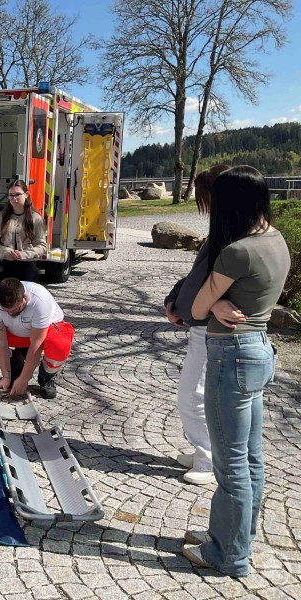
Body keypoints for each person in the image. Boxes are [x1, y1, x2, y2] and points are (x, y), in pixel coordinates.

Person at [183, 166, 291, 577]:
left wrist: (211, 304)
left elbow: (194, 309)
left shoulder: (237, 251)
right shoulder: (275, 239)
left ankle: (228, 555)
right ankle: (236, 536)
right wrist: (218, 303)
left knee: (230, 466)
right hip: (258, 350)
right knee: (251, 458)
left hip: (231, 356)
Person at [164, 164, 231, 485]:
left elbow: (218, 284)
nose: (203, 206)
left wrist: (186, 305)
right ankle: (202, 449)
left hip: (213, 329)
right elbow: (196, 276)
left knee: (194, 395)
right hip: (200, 324)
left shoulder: (231, 232)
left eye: (204, 198)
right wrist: (175, 299)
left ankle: (207, 459)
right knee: (195, 393)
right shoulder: (222, 229)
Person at [0, 277, 75, 399]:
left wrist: (24, 379)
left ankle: (46, 376)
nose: (11, 314)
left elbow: (37, 344)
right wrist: (6, 376)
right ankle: (15, 364)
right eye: (6, 311)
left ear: (25, 298)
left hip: (43, 332)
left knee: (60, 345)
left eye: (15, 309)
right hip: (13, 332)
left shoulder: (40, 300)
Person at [0, 180, 47, 282]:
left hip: (28, 268)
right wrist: (6, 252)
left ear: (26, 194)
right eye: (11, 195)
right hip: (8, 267)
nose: (14, 198)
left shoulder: (35, 218)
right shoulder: (2, 217)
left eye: (17, 195)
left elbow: (42, 246)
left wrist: (24, 254)